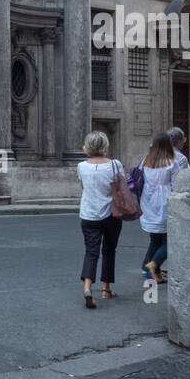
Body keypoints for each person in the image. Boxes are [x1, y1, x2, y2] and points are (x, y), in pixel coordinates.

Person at [77, 130, 125, 307]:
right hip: (111, 213)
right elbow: (121, 188)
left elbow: (83, 188)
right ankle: (106, 289)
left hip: (88, 214)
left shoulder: (81, 166)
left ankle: (88, 288)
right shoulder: (115, 164)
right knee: (109, 250)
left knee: (91, 251)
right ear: (105, 145)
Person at [139, 134, 184, 283]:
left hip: (149, 200)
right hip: (165, 202)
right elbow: (176, 185)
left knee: (154, 238)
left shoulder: (146, 161)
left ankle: (153, 274)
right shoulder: (172, 162)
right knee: (169, 240)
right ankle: (153, 264)